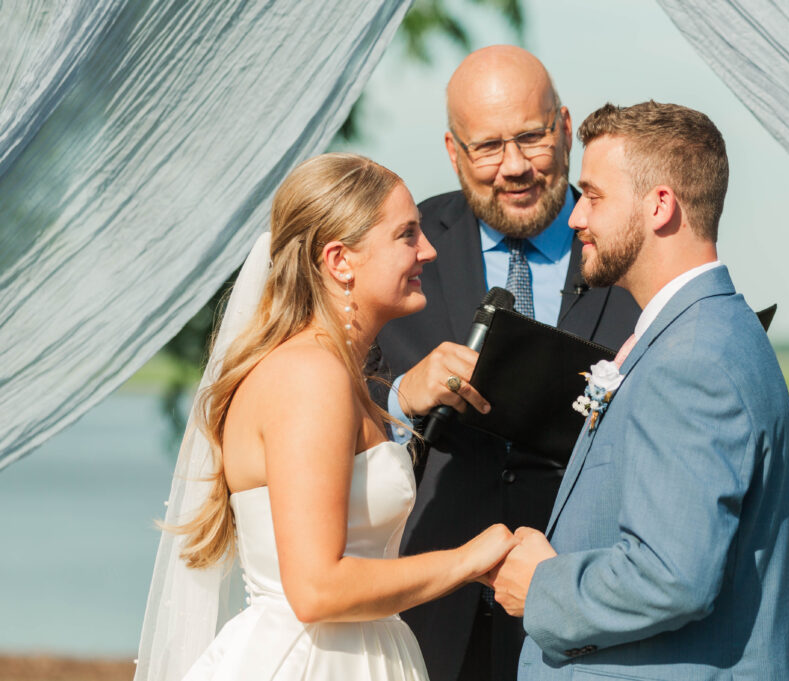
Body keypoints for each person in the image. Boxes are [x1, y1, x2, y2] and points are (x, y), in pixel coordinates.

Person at [134, 153, 519, 681]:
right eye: (407, 235)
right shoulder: (310, 376)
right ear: (340, 261)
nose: (428, 250)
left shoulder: (339, 373)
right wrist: (468, 560)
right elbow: (316, 589)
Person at [488, 102, 789, 679]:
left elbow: (671, 577)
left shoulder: (694, 359)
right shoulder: (704, 332)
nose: (576, 217)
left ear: (660, 205)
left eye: (595, 196)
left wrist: (542, 587)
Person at [373, 46, 640, 681]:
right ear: (452, 150)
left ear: (566, 128)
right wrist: (401, 397)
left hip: (581, 623)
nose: (514, 167)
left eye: (531, 138)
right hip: (428, 618)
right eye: (488, 147)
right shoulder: (399, 248)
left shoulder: (633, 248)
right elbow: (333, 402)